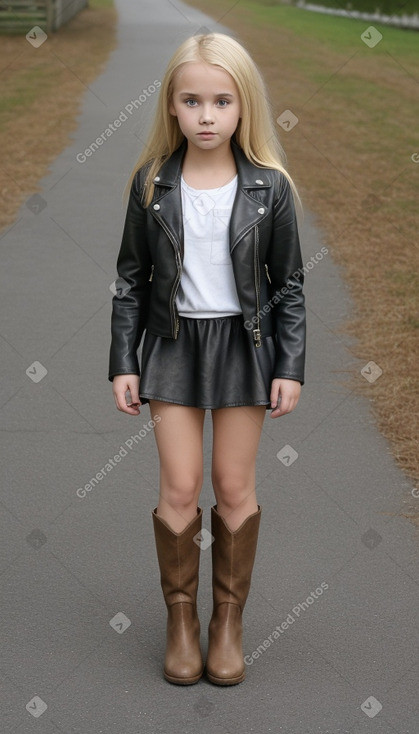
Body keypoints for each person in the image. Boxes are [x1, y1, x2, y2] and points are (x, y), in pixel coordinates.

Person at [108, 32, 306, 686]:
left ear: (242, 106)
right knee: (178, 487)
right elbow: (130, 280)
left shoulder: (268, 189)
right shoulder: (150, 185)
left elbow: (289, 286)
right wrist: (124, 360)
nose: (206, 115)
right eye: (191, 100)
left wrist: (288, 365)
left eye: (221, 101)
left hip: (244, 348)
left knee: (232, 487)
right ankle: (181, 620)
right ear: (170, 105)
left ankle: (226, 619)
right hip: (170, 347)